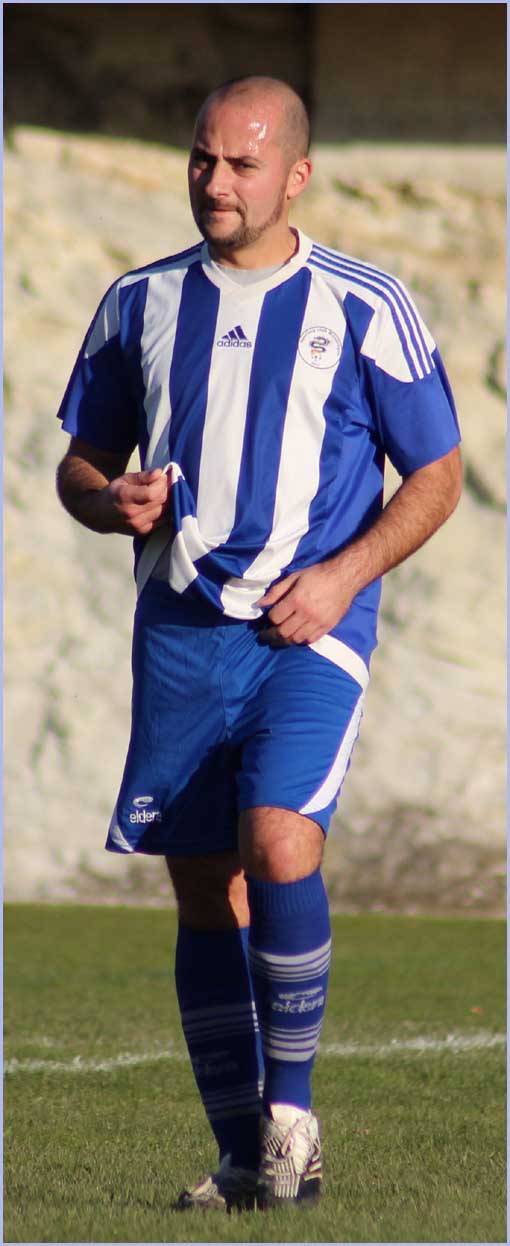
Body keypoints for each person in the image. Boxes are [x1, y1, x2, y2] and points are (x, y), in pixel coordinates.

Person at [55, 75, 462, 1211]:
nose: (216, 181)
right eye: (203, 158)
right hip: (182, 631)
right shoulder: (138, 300)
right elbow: (79, 465)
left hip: (308, 630)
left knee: (280, 841)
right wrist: (109, 500)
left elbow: (438, 474)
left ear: (297, 175)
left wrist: (341, 577)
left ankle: (292, 1116)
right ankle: (246, 1161)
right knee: (202, 887)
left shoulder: (366, 304)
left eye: (242, 163)